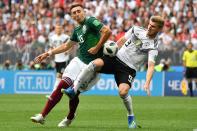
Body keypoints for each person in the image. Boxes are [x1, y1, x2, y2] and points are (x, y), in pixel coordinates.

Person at [63, 16, 164, 128]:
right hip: (116, 58)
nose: (149, 27)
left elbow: (151, 66)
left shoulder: (153, 46)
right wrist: (113, 48)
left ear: (159, 29)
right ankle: (73, 89)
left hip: (128, 69)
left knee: (123, 92)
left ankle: (130, 116)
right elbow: (121, 41)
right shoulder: (136, 29)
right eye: (149, 24)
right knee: (94, 64)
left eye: (153, 26)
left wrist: (147, 83)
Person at [30, 3, 111, 127]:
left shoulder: (90, 21)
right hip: (78, 61)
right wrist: (48, 53)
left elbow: (107, 31)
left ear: (83, 11)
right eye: (74, 13)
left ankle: (70, 117)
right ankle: (42, 115)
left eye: (78, 11)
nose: (77, 14)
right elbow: (66, 46)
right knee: (62, 85)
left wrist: (97, 47)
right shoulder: (77, 30)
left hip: (93, 66)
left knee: (74, 93)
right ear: (71, 16)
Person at [46, 24, 70, 98]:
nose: (58, 30)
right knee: (61, 77)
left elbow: (70, 45)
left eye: (60, 28)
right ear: (55, 29)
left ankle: (53, 94)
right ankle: (57, 93)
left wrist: (68, 51)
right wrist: (49, 53)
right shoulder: (52, 38)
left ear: (62, 29)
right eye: (57, 28)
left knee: (59, 76)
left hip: (64, 59)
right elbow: (51, 47)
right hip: (57, 59)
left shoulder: (66, 37)